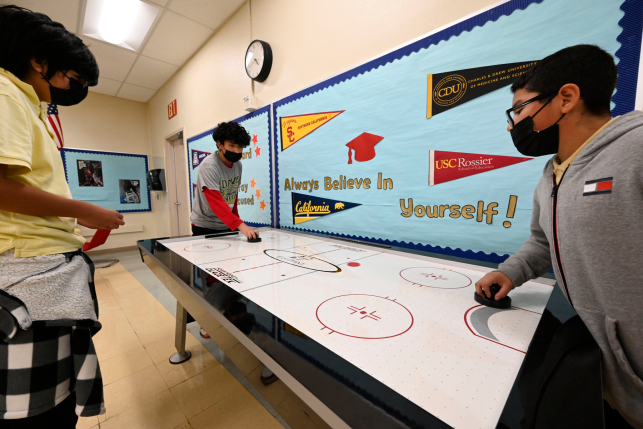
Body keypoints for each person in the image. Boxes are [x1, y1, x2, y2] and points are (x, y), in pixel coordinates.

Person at [475, 45, 642, 428]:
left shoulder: (636, 149)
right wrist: (512, 271)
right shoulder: (552, 172)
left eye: (519, 109)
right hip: (604, 377)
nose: (512, 124)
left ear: (565, 98)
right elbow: (542, 242)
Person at [0, 5, 124, 427]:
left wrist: (76, 223)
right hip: (27, 274)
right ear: (39, 60)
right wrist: (85, 210)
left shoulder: (30, 105)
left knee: (58, 399)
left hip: (47, 270)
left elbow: (29, 189)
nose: (77, 90)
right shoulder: (6, 93)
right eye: (75, 79)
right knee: (39, 411)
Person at [190, 121, 259, 240]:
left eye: (240, 146)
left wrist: (236, 221)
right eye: (232, 145)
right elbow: (215, 202)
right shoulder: (209, 166)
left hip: (226, 223)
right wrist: (240, 225)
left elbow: (233, 195)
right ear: (220, 145)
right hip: (204, 225)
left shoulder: (238, 165)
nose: (237, 151)